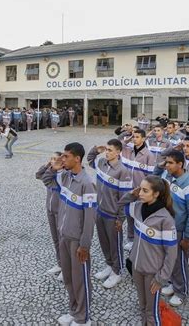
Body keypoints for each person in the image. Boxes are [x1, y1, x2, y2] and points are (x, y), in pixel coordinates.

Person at [42, 142, 97, 326]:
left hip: (77, 241)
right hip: (64, 235)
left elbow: (90, 218)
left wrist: (85, 245)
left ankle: (83, 318)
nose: (62, 159)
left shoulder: (87, 184)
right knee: (68, 277)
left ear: (77, 159)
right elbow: (45, 179)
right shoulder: (64, 176)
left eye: (66, 156)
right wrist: (53, 166)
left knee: (80, 279)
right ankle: (74, 310)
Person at [120, 176, 177, 326]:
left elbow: (171, 253)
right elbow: (119, 205)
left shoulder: (166, 219)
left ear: (156, 194)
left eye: (145, 190)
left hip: (153, 273)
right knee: (143, 306)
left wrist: (161, 278)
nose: (140, 193)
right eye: (140, 189)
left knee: (152, 312)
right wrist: (132, 194)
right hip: (136, 267)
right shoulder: (138, 207)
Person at [87, 139, 133, 289]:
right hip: (99, 211)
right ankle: (109, 265)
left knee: (115, 244)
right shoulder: (101, 163)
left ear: (118, 152)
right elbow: (89, 160)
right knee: (104, 241)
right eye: (106, 149)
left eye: (110, 150)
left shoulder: (123, 171)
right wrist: (96, 149)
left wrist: (121, 218)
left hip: (113, 215)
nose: (107, 152)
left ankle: (117, 271)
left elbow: (125, 197)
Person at [160, 150, 189, 307]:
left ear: (180, 164)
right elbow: (155, 178)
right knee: (169, 259)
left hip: (180, 231)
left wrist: (188, 237)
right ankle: (172, 282)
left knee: (179, 262)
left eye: (170, 163)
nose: (167, 165)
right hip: (167, 227)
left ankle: (181, 291)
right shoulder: (168, 177)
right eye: (166, 162)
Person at [120, 129, 156, 251]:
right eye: (133, 137)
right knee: (128, 215)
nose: (134, 139)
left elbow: (150, 177)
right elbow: (118, 143)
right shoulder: (127, 150)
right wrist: (128, 138)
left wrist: (144, 191)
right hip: (127, 190)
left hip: (140, 192)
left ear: (144, 138)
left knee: (139, 216)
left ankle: (140, 240)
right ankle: (130, 239)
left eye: (137, 137)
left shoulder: (149, 155)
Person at [36, 152, 63, 278]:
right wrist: (48, 165)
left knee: (63, 240)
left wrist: (55, 169)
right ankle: (60, 263)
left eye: (56, 159)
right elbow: (38, 175)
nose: (53, 161)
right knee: (55, 239)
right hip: (50, 210)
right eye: (51, 158)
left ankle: (66, 267)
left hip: (61, 211)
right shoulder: (49, 173)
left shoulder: (62, 175)